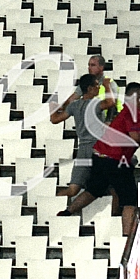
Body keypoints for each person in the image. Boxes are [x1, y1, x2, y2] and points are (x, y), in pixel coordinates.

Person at [58, 83, 140, 236]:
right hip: (114, 160)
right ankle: (127, 238)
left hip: (100, 156)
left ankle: (67, 212)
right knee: (130, 200)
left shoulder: (136, 113)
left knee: (94, 189)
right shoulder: (132, 113)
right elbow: (136, 136)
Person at [50, 73, 117, 202]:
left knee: (72, 189)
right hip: (98, 150)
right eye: (97, 86)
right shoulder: (95, 104)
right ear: (90, 88)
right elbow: (111, 102)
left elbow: (55, 119)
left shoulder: (74, 106)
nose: (99, 88)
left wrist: (53, 107)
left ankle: (52, 205)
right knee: (112, 186)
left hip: (83, 151)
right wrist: (108, 86)